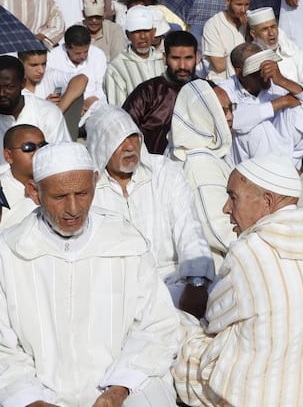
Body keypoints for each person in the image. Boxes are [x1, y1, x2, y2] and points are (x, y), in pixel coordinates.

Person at [175, 154, 303, 407]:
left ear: (267, 201)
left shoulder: (249, 252)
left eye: (233, 197)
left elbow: (214, 319)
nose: (226, 209)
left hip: (267, 394)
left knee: (180, 332)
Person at [0, 142, 179, 406]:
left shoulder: (125, 240)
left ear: (95, 182)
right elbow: (5, 348)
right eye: (59, 197)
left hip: (126, 388)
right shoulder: (10, 250)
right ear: (34, 192)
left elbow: (158, 326)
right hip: (39, 393)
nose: (73, 209)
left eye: (82, 193)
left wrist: (119, 389)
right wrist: (30, 399)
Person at [86, 104, 214, 315]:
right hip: (120, 295)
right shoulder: (89, 189)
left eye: (133, 137)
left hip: (174, 283)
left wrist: (196, 283)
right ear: (101, 146)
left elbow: (189, 229)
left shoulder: (164, 172)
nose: (129, 147)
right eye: (118, 140)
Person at [219, 44, 303, 166]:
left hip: (288, 162)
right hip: (248, 165)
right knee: (254, 126)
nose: (264, 75)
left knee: (297, 109)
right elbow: (232, 122)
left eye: (265, 67)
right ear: (240, 73)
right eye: (256, 71)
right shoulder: (226, 89)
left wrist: (282, 81)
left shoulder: (276, 80)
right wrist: (282, 102)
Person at [169, 80, 237, 261]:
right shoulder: (200, 162)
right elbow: (217, 227)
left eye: (231, 108)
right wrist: (259, 249)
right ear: (203, 114)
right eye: (222, 110)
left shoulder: (207, 151)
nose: (230, 116)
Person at [123, 30, 199, 154]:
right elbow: (124, 130)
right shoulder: (147, 92)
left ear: (197, 57)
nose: (182, 66)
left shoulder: (208, 92)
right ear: (165, 58)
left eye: (188, 58)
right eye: (175, 58)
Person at [0, 55, 70, 144]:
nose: (2, 93)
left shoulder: (47, 112)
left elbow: (61, 153)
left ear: (23, 83)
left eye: (9, 87)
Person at [104, 5, 165, 105]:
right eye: (136, 32)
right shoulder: (116, 69)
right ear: (128, 35)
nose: (142, 36)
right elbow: (118, 111)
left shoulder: (163, 61)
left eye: (146, 31)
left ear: (153, 32)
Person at [45, 24, 106, 117]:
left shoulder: (98, 55)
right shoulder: (52, 58)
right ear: (67, 47)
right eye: (78, 53)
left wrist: (90, 101)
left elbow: (102, 87)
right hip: (64, 109)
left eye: (86, 51)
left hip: (94, 108)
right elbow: (49, 87)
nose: (83, 56)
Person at [248, 6, 303, 85]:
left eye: (273, 27)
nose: (271, 33)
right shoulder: (249, 58)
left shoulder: (293, 52)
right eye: (265, 29)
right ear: (253, 34)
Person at [201, 0, 251, 81]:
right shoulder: (213, 25)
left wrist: (249, 29)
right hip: (221, 82)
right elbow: (218, 65)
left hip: (249, 81)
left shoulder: (252, 19)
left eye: (247, 5)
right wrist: (250, 56)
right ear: (228, 1)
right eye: (239, 4)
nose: (243, 10)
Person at [0, 125, 42, 227]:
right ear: (8, 156)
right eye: (28, 148)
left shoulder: (58, 181)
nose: (38, 152)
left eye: (43, 146)